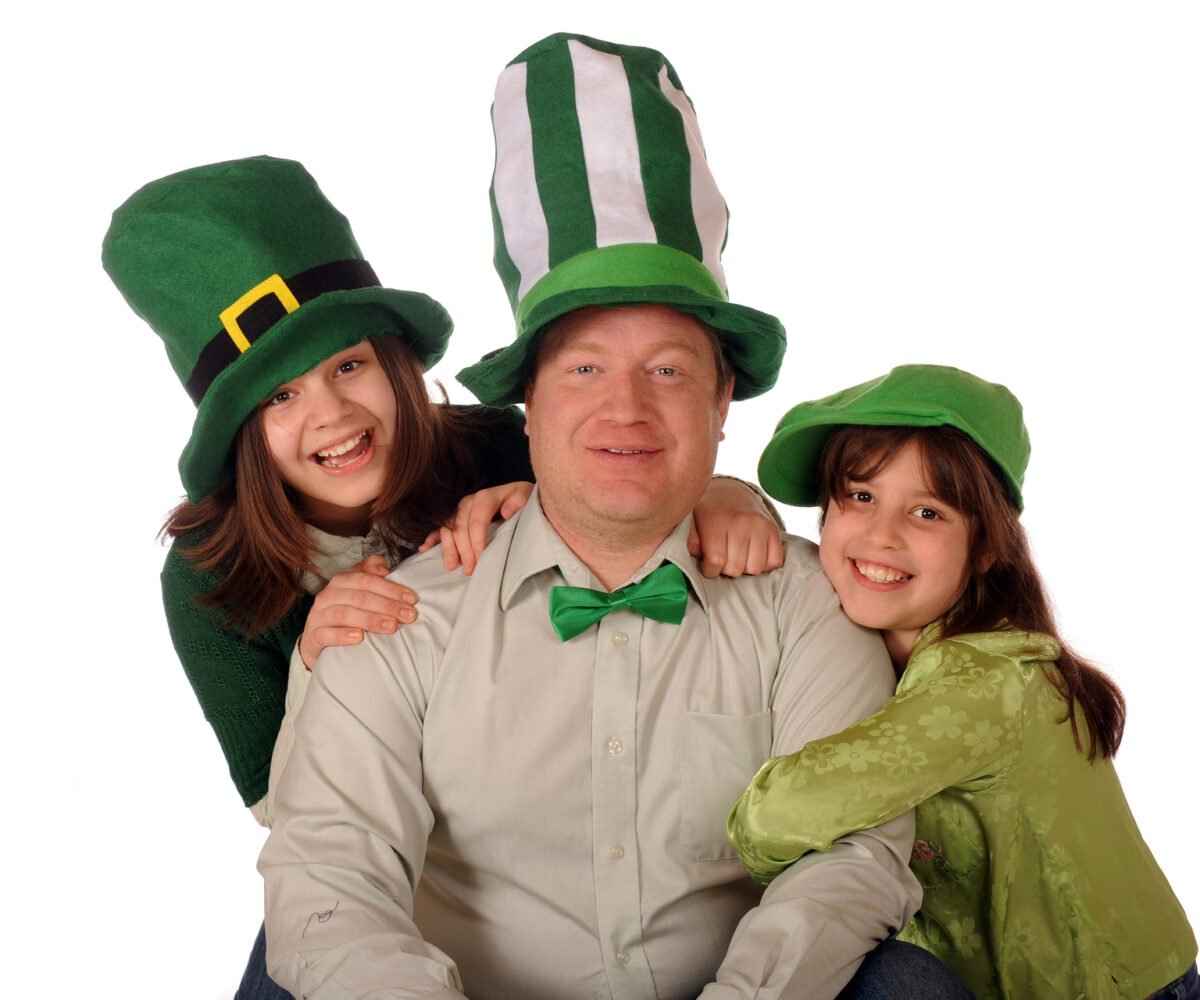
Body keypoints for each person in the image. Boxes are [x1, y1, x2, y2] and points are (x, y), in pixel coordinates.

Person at [260, 33, 974, 1000]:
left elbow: (849, 858)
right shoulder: (392, 621)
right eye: (586, 368)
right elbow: (333, 880)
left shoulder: (806, 607)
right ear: (532, 406)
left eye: (669, 372)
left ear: (722, 406)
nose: (626, 409)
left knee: (911, 985)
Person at [102, 155, 784, 1000]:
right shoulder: (212, 577)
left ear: (394, 364)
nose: (332, 415)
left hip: (565, 842)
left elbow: (643, 470)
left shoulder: (499, 445)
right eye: (279, 397)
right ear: (239, 427)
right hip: (395, 882)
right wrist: (320, 669)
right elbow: (296, 824)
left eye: (348, 367)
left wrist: (726, 492)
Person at [727, 364, 1199, 999]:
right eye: (861, 497)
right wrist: (729, 496)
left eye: (927, 511)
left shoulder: (984, 680)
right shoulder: (867, 645)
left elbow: (779, 814)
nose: (881, 535)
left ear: (985, 548)